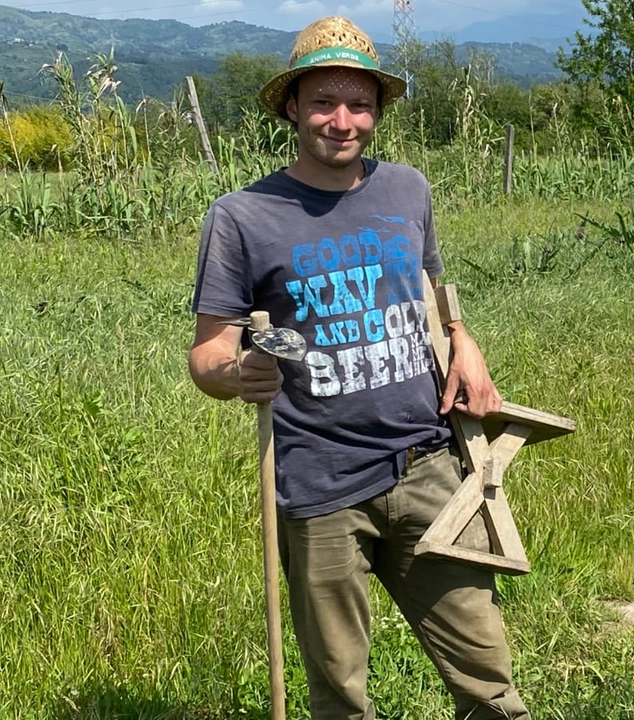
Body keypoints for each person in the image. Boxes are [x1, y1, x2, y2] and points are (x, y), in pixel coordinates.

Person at [187, 16, 529, 720]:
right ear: (291, 107)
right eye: (323, 103)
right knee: (340, 695)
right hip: (319, 485)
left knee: (489, 682)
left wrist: (463, 339)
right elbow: (208, 351)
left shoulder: (407, 191)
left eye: (360, 104)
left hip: (432, 464)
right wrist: (236, 374)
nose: (342, 121)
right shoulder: (242, 216)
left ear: (377, 111)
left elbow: (435, 295)